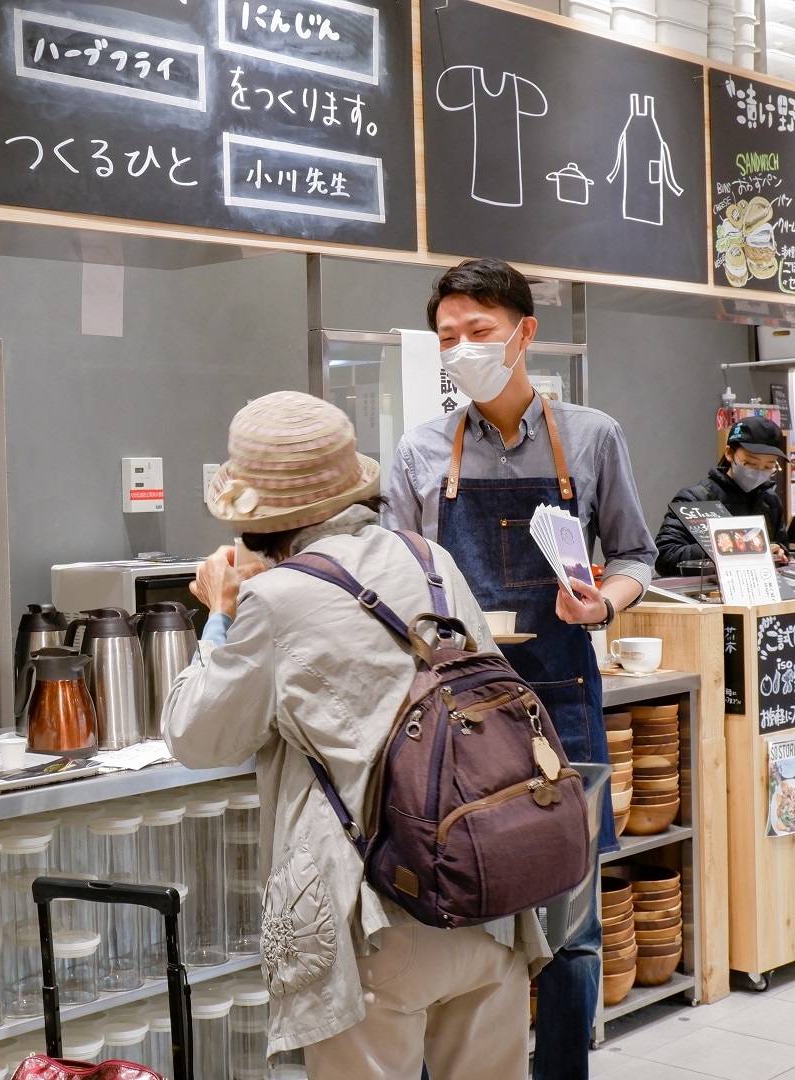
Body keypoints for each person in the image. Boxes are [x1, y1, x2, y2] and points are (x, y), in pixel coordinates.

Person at [161, 391, 550, 1080]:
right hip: (488, 894)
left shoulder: (273, 600)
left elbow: (197, 736)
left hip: (379, 914)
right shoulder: (430, 559)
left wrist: (220, 616)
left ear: (258, 520)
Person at [382, 258, 656, 1080]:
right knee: (450, 909)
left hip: (564, 702)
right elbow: (395, 576)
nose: (462, 349)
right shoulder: (421, 451)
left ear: (524, 333)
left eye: (480, 332)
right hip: (452, 720)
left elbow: (637, 554)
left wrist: (600, 602)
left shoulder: (594, 435)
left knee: (570, 930)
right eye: (448, 337)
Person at [654, 416, 790, 576]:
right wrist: (731, 547)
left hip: (759, 591)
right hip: (708, 594)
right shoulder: (695, 498)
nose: (759, 473)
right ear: (729, 454)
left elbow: (781, 548)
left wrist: (779, 552)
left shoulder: (769, 501)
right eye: (751, 463)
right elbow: (664, 557)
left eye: (769, 466)